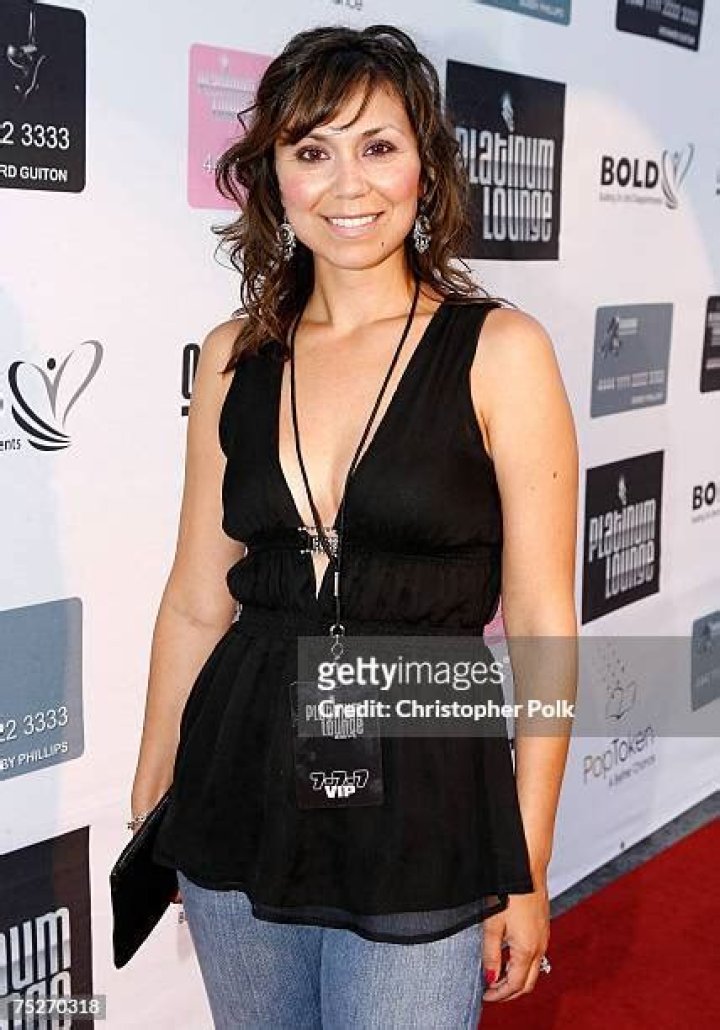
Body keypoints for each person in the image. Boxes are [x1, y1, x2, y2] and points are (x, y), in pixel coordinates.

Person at [130, 23, 579, 1029]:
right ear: (274, 177)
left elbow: (545, 624)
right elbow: (197, 598)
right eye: (312, 150)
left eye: (378, 146)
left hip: (428, 780)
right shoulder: (235, 356)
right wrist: (159, 784)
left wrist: (527, 857)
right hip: (241, 770)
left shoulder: (500, 350)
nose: (348, 184)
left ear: (427, 166)